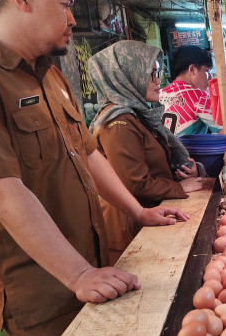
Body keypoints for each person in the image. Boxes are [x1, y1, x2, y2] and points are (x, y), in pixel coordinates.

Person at [0, 0, 189, 336]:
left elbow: (87, 152)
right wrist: (78, 273)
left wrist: (139, 212)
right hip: (38, 288)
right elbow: (0, 187)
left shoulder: (49, 73)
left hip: (88, 266)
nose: (74, 18)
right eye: (66, 4)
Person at [88, 41, 206, 263]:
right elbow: (134, 182)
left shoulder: (139, 115)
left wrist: (184, 171)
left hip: (149, 219)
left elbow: (154, 163)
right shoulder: (118, 123)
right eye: (151, 73)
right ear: (128, 76)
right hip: (129, 233)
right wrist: (178, 187)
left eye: (159, 72)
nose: (158, 81)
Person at [159, 45, 222, 136]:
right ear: (192, 69)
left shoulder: (161, 93)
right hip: (188, 150)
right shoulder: (200, 97)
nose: (210, 77)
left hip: (164, 149)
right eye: (206, 71)